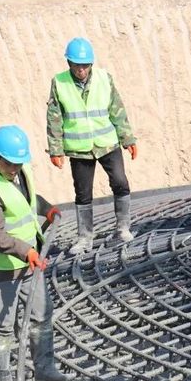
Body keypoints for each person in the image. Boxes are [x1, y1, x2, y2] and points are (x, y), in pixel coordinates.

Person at [0, 125, 75, 381]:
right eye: (9, 164)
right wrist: (26, 251)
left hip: (30, 263)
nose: (14, 169)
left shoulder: (20, 172)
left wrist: (47, 208)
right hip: (1, 269)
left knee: (41, 316)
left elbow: (27, 201)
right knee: (3, 328)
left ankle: (44, 369)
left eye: (18, 164)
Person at [47, 37, 138, 254]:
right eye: (78, 65)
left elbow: (117, 109)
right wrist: (55, 149)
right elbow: (54, 117)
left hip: (107, 143)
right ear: (69, 63)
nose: (82, 70)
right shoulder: (59, 82)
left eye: (85, 65)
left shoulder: (104, 78)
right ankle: (84, 238)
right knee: (83, 193)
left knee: (120, 182)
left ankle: (123, 229)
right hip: (80, 149)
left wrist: (128, 139)